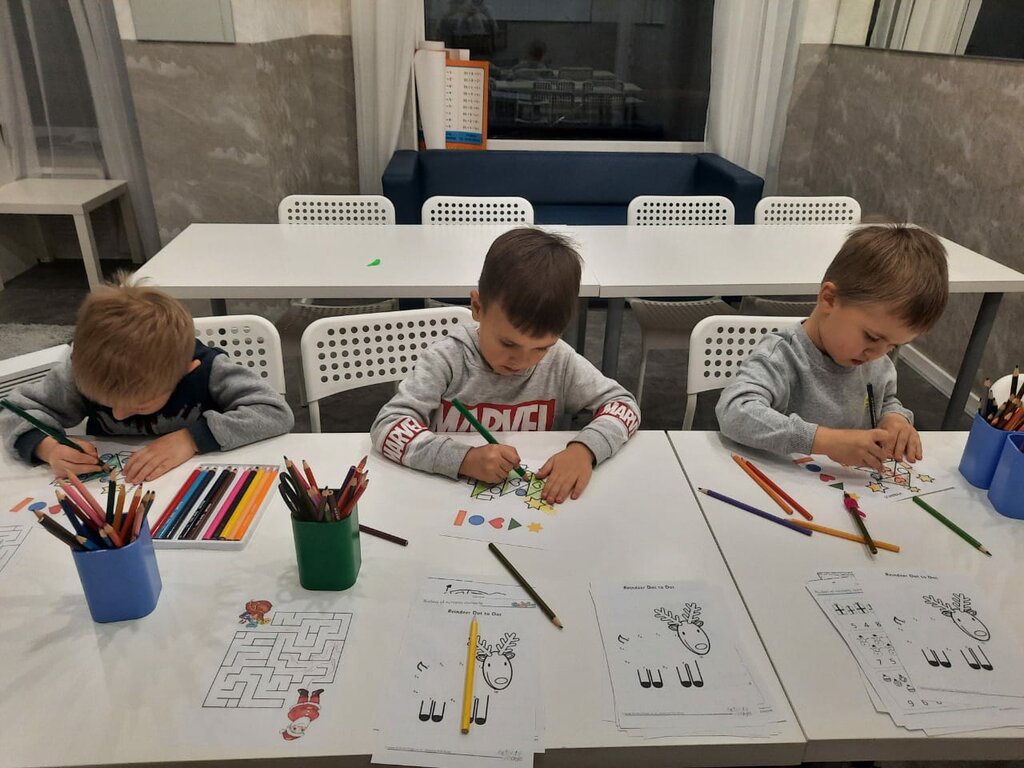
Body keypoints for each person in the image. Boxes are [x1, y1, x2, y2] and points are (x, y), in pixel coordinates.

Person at [371, 228, 640, 504]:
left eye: (541, 347)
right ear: (477, 308)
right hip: (442, 500)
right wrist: (464, 459)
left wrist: (584, 450)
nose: (522, 361)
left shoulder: (559, 360)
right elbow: (387, 427)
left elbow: (624, 405)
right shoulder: (447, 359)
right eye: (508, 343)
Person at [0, 273, 294, 482]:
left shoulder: (208, 369)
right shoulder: (82, 370)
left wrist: (192, 439)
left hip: (198, 481)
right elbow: (14, 410)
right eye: (105, 402)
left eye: (140, 404)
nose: (118, 414)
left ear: (184, 372)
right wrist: (48, 447)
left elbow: (274, 412)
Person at [716, 224, 948, 470]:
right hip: (785, 478)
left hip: (848, 482)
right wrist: (826, 442)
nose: (878, 354)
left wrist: (895, 418)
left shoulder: (876, 362)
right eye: (871, 337)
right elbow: (734, 412)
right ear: (829, 298)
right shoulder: (782, 355)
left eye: (894, 346)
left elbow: (884, 400)